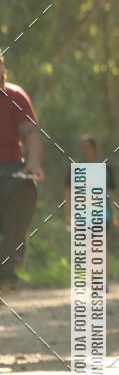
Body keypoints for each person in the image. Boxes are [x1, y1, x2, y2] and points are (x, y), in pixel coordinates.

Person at [0, 54, 44, 291]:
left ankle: (8, 264)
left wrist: (34, 162)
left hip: (9, 170)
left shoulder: (15, 97)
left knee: (25, 188)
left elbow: (31, 134)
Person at [64, 135, 119, 284]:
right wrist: (69, 214)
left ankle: (102, 281)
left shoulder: (105, 166)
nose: (85, 151)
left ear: (95, 149)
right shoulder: (76, 167)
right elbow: (69, 192)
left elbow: (114, 192)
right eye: (82, 148)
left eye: (87, 147)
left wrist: (116, 212)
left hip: (104, 214)